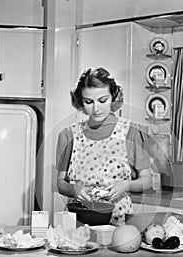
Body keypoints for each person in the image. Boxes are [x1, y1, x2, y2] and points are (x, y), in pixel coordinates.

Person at [56, 67, 152, 225]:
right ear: (80, 101)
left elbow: (146, 180)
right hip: (78, 220)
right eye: (89, 102)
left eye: (102, 100)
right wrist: (74, 189)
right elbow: (61, 183)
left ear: (113, 97)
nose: (96, 109)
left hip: (117, 221)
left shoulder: (132, 132)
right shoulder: (68, 135)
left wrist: (126, 185)